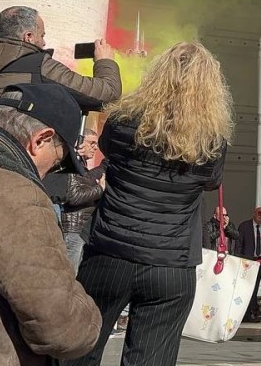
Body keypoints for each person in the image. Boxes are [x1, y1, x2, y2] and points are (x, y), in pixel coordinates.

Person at [64, 41, 232, 366]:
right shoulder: (212, 142)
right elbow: (211, 181)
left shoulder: (124, 121)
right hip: (171, 263)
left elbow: (108, 150)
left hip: (111, 253)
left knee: (78, 351)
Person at [0, 84, 101, 365]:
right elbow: (62, 329)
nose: (52, 172)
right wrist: (88, 311)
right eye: (59, 163)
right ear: (40, 140)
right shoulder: (15, 195)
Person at [0, 5, 122, 121]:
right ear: (29, 37)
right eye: (42, 35)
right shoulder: (37, 65)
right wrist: (104, 61)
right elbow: (107, 94)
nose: (44, 43)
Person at [61, 129, 108, 272]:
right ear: (80, 142)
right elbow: (74, 196)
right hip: (73, 227)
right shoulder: (73, 165)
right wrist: (100, 189)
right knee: (69, 274)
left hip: (80, 228)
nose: (95, 147)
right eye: (91, 143)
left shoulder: (82, 165)